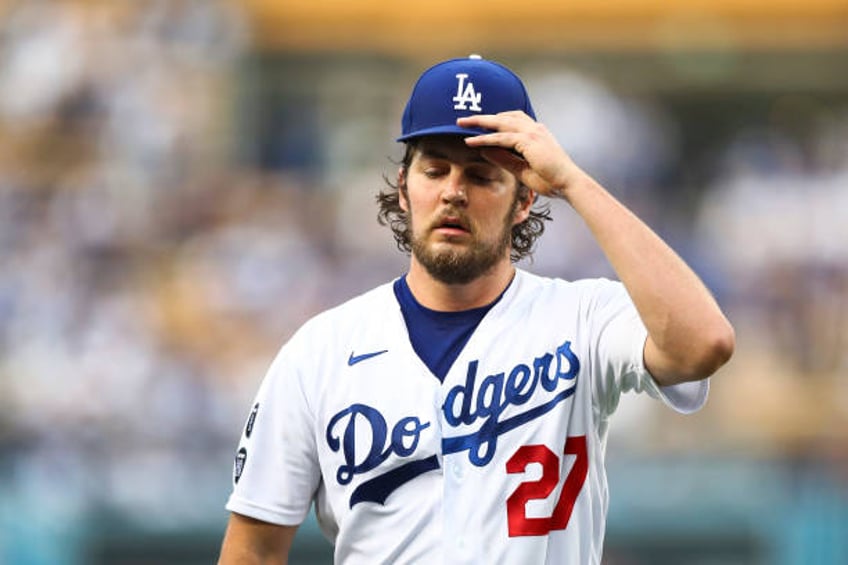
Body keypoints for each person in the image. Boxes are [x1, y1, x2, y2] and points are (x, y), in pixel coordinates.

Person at [217, 55, 735, 564]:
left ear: (526, 199)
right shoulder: (321, 350)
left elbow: (702, 344)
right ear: (403, 188)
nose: (453, 193)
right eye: (434, 169)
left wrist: (575, 183)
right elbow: (253, 550)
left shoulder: (583, 317)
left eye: (482, 176)